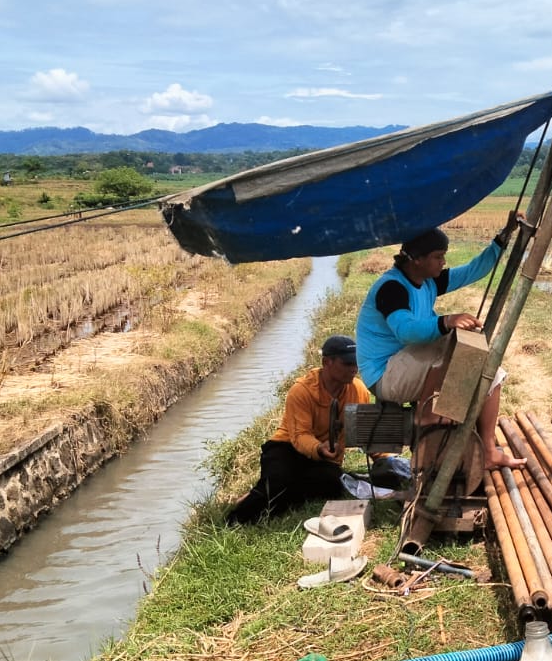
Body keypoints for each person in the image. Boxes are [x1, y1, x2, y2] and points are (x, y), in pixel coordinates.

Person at [355, 212, 525, 471]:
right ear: (416, 259)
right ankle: (428, 414)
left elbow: (472, 270)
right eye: (438, 256)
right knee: (454, 340)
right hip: (386, 375)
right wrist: (445, 321)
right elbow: (406, 331)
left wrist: (503, 237)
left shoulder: (428, 281)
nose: (443, 262)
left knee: (487, 370)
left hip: (411, 364)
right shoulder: (392, 288)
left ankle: (488, 450)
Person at [225, 335, 372, 526]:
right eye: (347, 363)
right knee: (277, 483)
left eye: (357, 363)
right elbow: (299, 436)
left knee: (333, 485)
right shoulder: (301, 390)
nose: (354, 369)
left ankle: (268, 492)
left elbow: (364, 431)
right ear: (326, 362)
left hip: (326, 457)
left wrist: (383, 460)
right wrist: (319, 448)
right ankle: (235, 520)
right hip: (287, 448)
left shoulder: (359, 390)